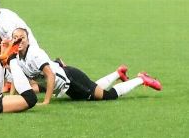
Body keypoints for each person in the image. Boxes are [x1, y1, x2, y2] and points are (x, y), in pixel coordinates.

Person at [10, 28, 162, 104]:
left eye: (22, 38)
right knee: (93, 88)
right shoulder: (17, 58)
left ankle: (141, 79)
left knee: (106, 97)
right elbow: (17, 78)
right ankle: (118, 73)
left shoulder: (34, 54)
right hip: (68, 86)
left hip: (71, 79)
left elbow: (51, 75)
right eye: (15, 38)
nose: (19, 41)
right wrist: (11, 97)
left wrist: (46, 101)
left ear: (28, 40)